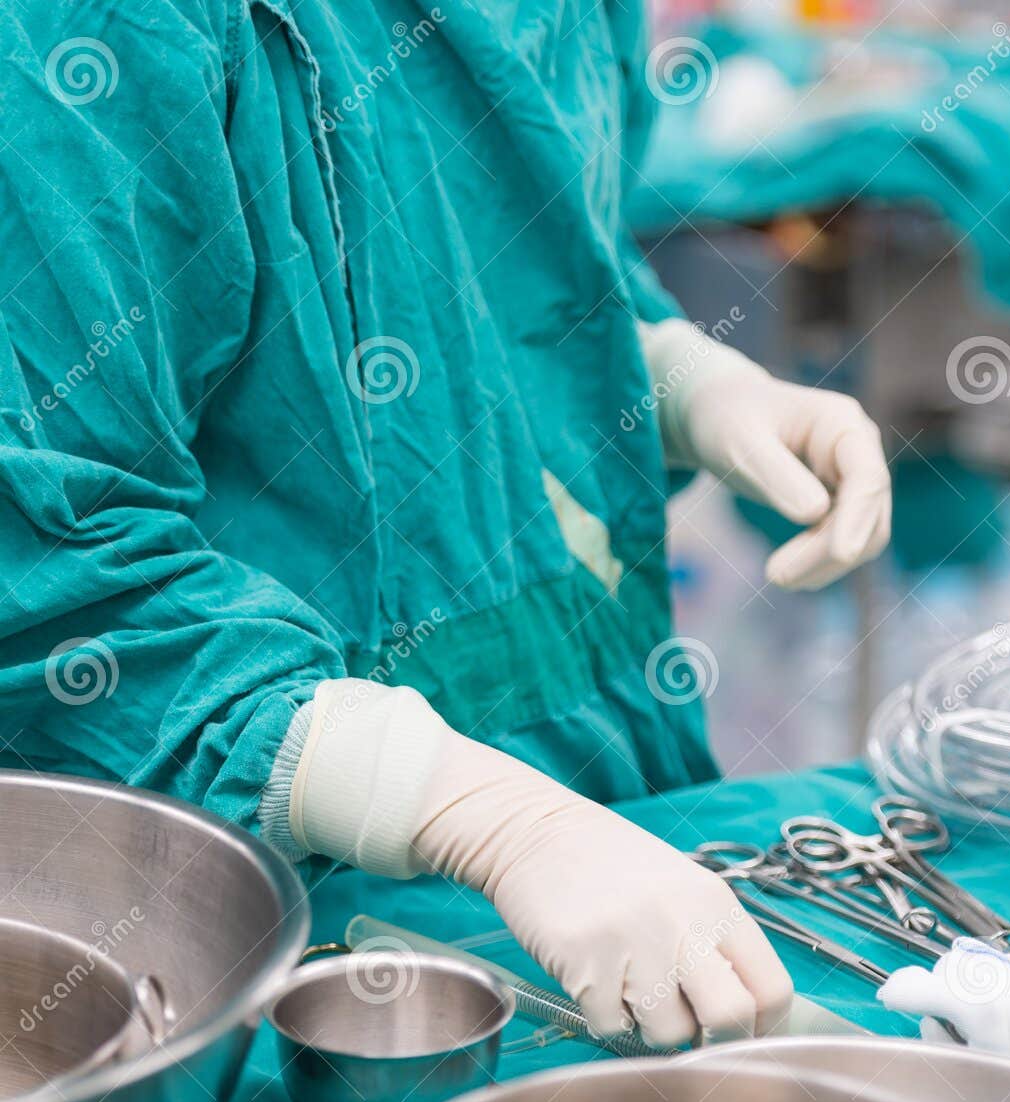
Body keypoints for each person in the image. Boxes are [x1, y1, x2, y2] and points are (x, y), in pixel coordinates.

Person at [0, 2, 890, 1048]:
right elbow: (48, 559)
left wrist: (690, 384)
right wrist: (478, 815)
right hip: (225, 913)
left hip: (607, 794)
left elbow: (526, 272)